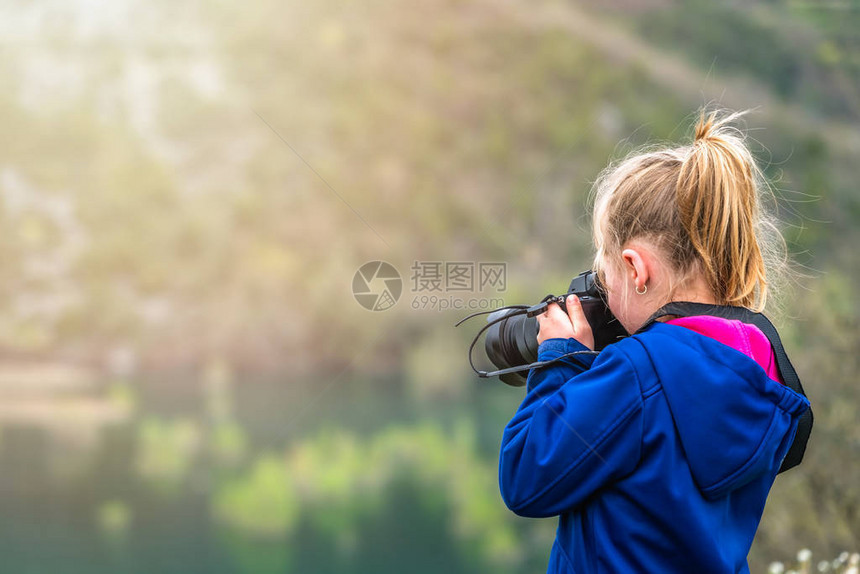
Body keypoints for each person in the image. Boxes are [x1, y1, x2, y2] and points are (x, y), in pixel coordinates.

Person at [498, 109, 811, 573]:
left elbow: (526, 476)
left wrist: (562, 360)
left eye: (605, 274)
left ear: (636, 269)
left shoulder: (637, 372)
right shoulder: (759, 361)